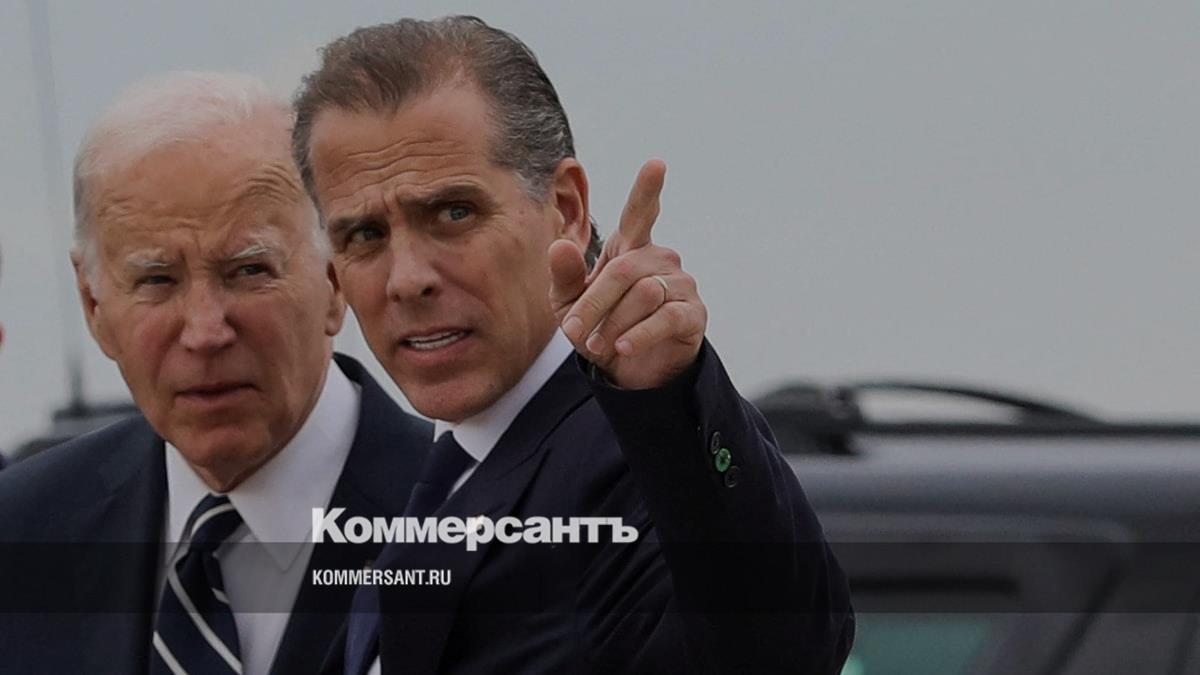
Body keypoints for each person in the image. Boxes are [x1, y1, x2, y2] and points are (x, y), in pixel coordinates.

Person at [291, 16, 853, 675]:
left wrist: (667, 398)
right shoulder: (429, 480)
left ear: (565, 209)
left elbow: (779, 647)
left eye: (453, 213)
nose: (408, 279)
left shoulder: (632, 462)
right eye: (364, 235)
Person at [0, 72, 431, 675]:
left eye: (249, 271)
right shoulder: (21, 534)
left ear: (335, 280)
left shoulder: (473, 526)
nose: (205, 332)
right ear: (93, 304)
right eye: (157, 281)